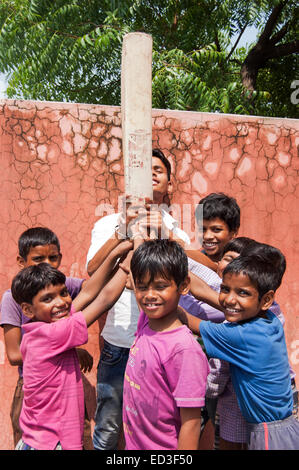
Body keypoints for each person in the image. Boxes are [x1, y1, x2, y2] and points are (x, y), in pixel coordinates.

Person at [86, 149, 190, 450]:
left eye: (159, 169)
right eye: (146, 170)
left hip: (163, 345)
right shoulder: (108, 223)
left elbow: (187, 273)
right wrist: (122, 234)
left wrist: (164, 234)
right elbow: (93, 273)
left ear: (169, 184)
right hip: (120, 343)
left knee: (155, 425)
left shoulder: (175, 227)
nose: (152, 174)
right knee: (108, 426)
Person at [10, 239, 133, 450]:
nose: (61, 302)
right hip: (54, 443)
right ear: (28, 310)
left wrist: (117, 252)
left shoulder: (37, 329)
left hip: (35, 440)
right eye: (48, 299)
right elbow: (103, 299)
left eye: (64, 293)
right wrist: (131, 258)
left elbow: (86, 293)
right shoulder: (53, 333)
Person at [184, 254, 299, 450]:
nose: (229, 299)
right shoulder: (269, 318)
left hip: (269, 436)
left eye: (242, 293)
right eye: (225, 289)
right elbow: (203, 290)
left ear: (266, 299)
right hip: (284, 429)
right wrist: (176, 268)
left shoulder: (242, 336)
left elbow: (186, 319)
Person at [0, 227, 93, 449]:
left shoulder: (59, 285)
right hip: (34, 388)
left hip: (65, 386)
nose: (47, 264)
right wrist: (68, 348)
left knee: (79, 436)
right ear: (21, 261)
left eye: (53, 258)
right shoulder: (12, 298)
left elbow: (91, 289)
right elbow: (14, 354)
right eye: (38, 259)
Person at [122, 239, 210, 450]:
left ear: (184, 286)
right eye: (142, 287)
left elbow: (191, 422)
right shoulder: (146, 320)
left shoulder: (183, 350)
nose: (150, 296)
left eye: (161, 287)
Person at [196, 192, 240, 263]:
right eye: (202, 229)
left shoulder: (244, 268)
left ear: (233, 232)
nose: (207, 236)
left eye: (216, 230)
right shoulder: (192, 265)